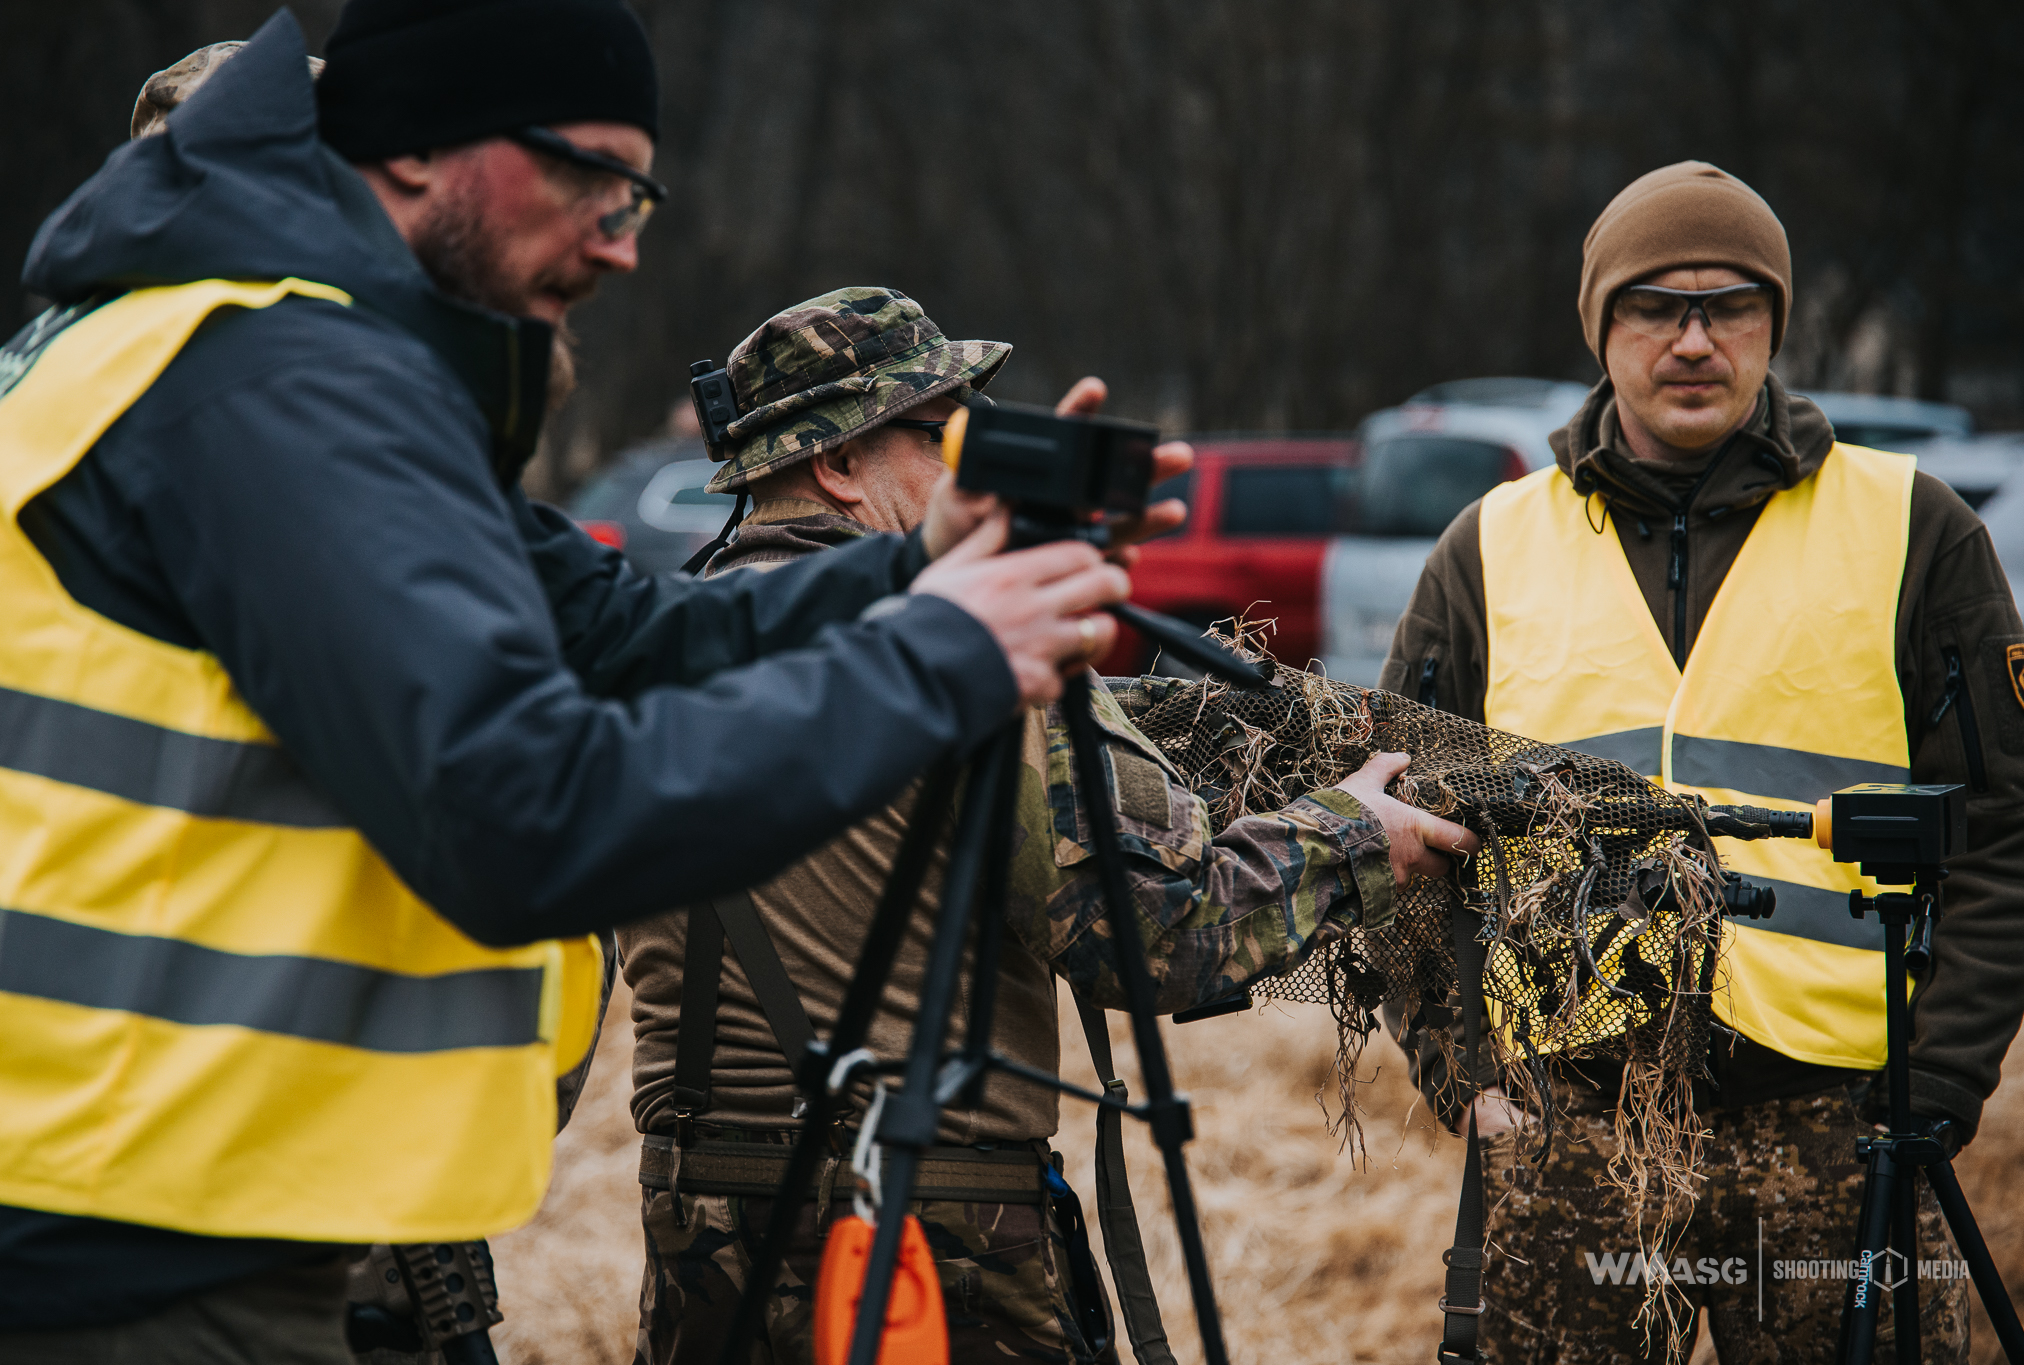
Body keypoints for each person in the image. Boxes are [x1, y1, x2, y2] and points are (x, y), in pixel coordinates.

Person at [0, 6, 1137, 1360]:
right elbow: (520, 812)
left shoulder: (236, 353)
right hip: (128, 1244)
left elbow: (620, 627)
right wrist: (947, 654)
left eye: (637, 191)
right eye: (590, 175)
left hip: (154, 1197)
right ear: (416, 150)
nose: (625, 238)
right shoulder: (273, 382)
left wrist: (922, 564)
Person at [618, 286, 1479, 1365]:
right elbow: (1152, 937)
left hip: (697, 1243)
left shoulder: (651, 650)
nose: (977, 473)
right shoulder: (951, 647)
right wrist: (1351, 832)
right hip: (929, 1245)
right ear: (837, 466)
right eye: (947, 439)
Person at [1379, 161, 2024, 1362]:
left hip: (1841, 1135)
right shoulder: (1486, 549)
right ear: (1599, 327)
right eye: (1651, 307)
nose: (1690, 339)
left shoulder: (1914, 529)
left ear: (1771, 324)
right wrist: (1460, 1069)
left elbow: (2002, 828)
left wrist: (1932, 1091)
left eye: (1727, 305)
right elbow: (1389, 834)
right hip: (1574, 1131)